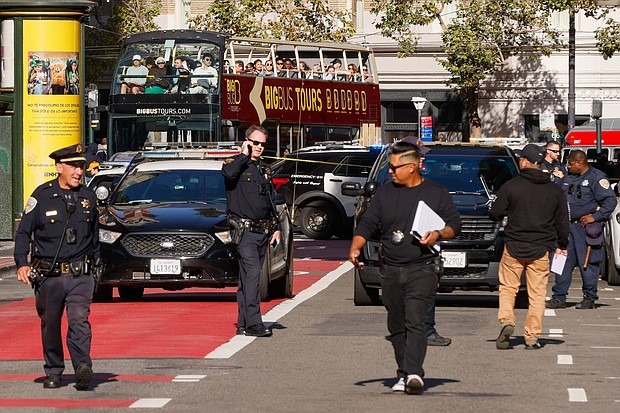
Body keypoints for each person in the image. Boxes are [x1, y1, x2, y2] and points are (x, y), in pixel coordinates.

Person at [348, 140, 461, 395]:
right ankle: (403, 371)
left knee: (415, 320)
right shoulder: (385, 193)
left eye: (394, 167)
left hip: (422, 268)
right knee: (396, 325)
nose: (390, 171)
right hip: (391, 269)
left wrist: (439, 233)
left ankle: (414, 374)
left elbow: (456, 224)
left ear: (411, 167)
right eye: (389, 167)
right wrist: (356, 245)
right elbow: (367, 224)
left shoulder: (436, 193)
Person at [14, 143, 100, 390]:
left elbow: (94, 237)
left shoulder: (88, 197)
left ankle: (83, 366)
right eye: (74, 166)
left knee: (79, 319)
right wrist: (21, 263)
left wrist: (97, 268)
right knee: (50, 324)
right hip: (49, 276)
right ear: (59, 167)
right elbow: (23, 234)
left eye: (81, 166)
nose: (78, 172)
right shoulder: (41, 196)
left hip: (79, 275)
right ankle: (53, 370)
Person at [489, 144, 569, 350]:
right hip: (541, 247)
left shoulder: (512, 186)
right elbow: (562, 221)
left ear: (524, 161)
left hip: (514, 245)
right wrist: (562, 244)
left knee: (508, 288)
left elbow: (496, 211)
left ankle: (507, 320)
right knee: (537, 293)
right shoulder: (554, 190)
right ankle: (532, 336)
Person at [222, 125, 281, 338]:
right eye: (255, 143)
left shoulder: (264, 169)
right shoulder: (234, 164)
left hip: (262, 232)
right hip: (244, 232)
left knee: (246, 279)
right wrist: (242, 155)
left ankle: (243, 323)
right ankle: (255, 323)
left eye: (263, 144)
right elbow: (228, 175)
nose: (259, 147)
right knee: (254, 275)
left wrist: (276, 227)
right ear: (247, 141)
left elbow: (270, 201)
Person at [547, 149, 617, 310]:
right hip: (565, 227)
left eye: (571, 164)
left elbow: (610, 201)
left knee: (588, 263)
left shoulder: (596, 178)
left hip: (584, 228)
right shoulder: (568, 177)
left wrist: (597, 216)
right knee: (562, 262)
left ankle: (589, 298)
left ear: (580, 162)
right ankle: (559, 297)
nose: (568, 167)